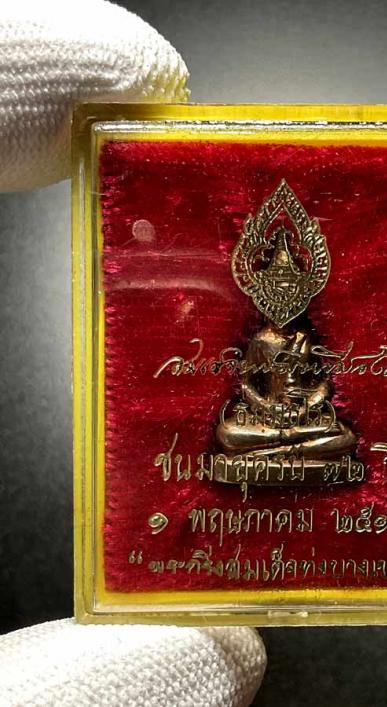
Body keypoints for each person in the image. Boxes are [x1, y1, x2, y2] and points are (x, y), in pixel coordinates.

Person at [0, 2, 266, 705]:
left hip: (282, 435)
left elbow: (310, 396)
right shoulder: (208, 322)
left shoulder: (291, 338)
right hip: (234, 432)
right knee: (224, 431)